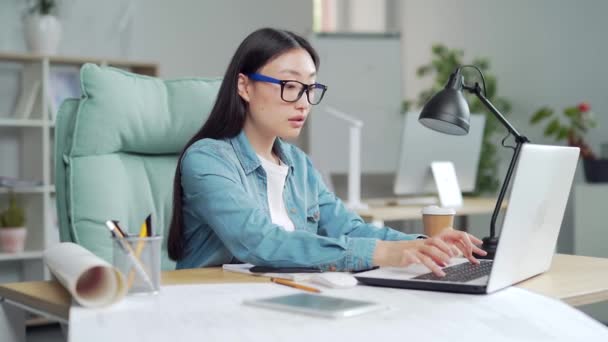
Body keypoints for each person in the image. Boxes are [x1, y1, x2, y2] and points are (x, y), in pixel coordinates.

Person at [167, 28, 486, 275]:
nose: (304, 102)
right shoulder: (207, 159)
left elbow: (348, 228)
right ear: (244, 87)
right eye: (290, 86)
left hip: (285, 296)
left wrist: (421, 246)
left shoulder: (298, 165)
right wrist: (383, 253)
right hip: (215, 302)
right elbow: (261, 242)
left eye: (310, 88)